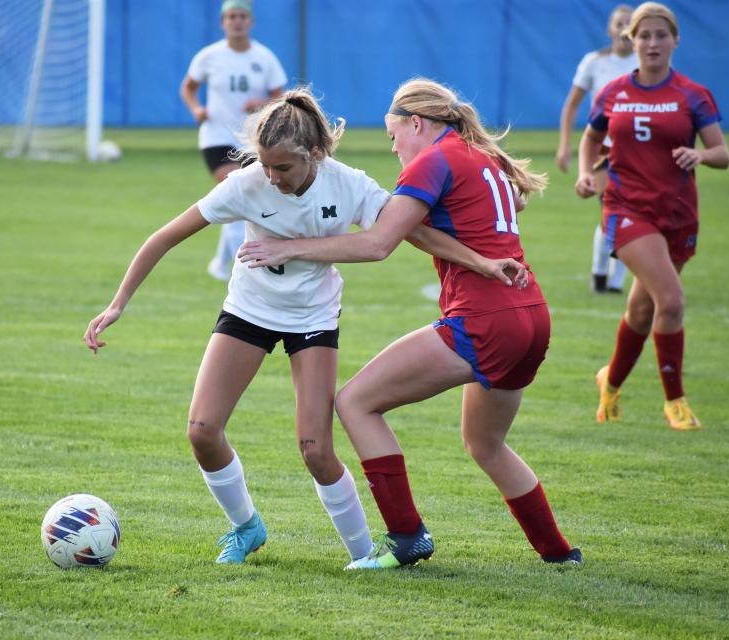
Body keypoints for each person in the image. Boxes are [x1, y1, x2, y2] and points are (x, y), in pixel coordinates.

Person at [84, 88, 524, 567]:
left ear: (315, 153)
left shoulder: (348, 184)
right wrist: (117, 304)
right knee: (202, 430)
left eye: (283, 168)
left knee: (315, 448)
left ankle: (362, 554)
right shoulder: (246, 183)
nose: (272, 178)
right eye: (265, 166)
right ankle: (246, 527)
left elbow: (412, 230)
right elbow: (164, 237)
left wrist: (480, 262)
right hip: (249, 310)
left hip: (313, 319)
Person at [238, 78, 582, 569]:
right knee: (485, 443)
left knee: (355, 401)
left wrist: (286, 247)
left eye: (393, 135)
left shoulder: (434, 159)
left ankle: (406, 535)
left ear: (416, 123)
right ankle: (558, 553)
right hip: (530, 315)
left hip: (484, 318)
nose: (394, 146)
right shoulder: (483, 157)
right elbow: (484, 213)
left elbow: (379, 243)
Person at [575, 2, 729, 431]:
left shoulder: (692, 95)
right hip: (626, 210)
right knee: (673, 300)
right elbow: (591, 139)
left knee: (643, 312)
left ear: (675, 40)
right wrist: (588, 174)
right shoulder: (614, 93)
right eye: (644, 35)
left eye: (661, 35)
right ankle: (675, 401)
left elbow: (723, 154)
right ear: (632, 41)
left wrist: (700, 152)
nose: (652, 43)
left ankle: (610, 382)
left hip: (677, 214)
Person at [180, 0, 288, 281]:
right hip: (216, 137)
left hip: (253, 142)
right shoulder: (209, 56)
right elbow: (188, 88)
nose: (237, 21)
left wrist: (262, 103)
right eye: (231, 16)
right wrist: (196, 109)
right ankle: (236, 267)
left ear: (250, 22)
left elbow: (282, 97)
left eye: (242, 16)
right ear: (222, 22)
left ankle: (220, 262)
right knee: (237, 192)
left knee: (244, 198)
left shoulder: (264, 58)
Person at [556, 4, 636, 294]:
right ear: (610, 29)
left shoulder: (648, 65)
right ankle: (601, 274)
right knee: (612, 210)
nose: (624, 29)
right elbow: (572, 105)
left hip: (639, 154)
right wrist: (565, 145)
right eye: (619, 23)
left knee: (634, 214)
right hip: (605, 150)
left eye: (630, 24)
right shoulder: (595, 62)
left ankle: (614, 281)